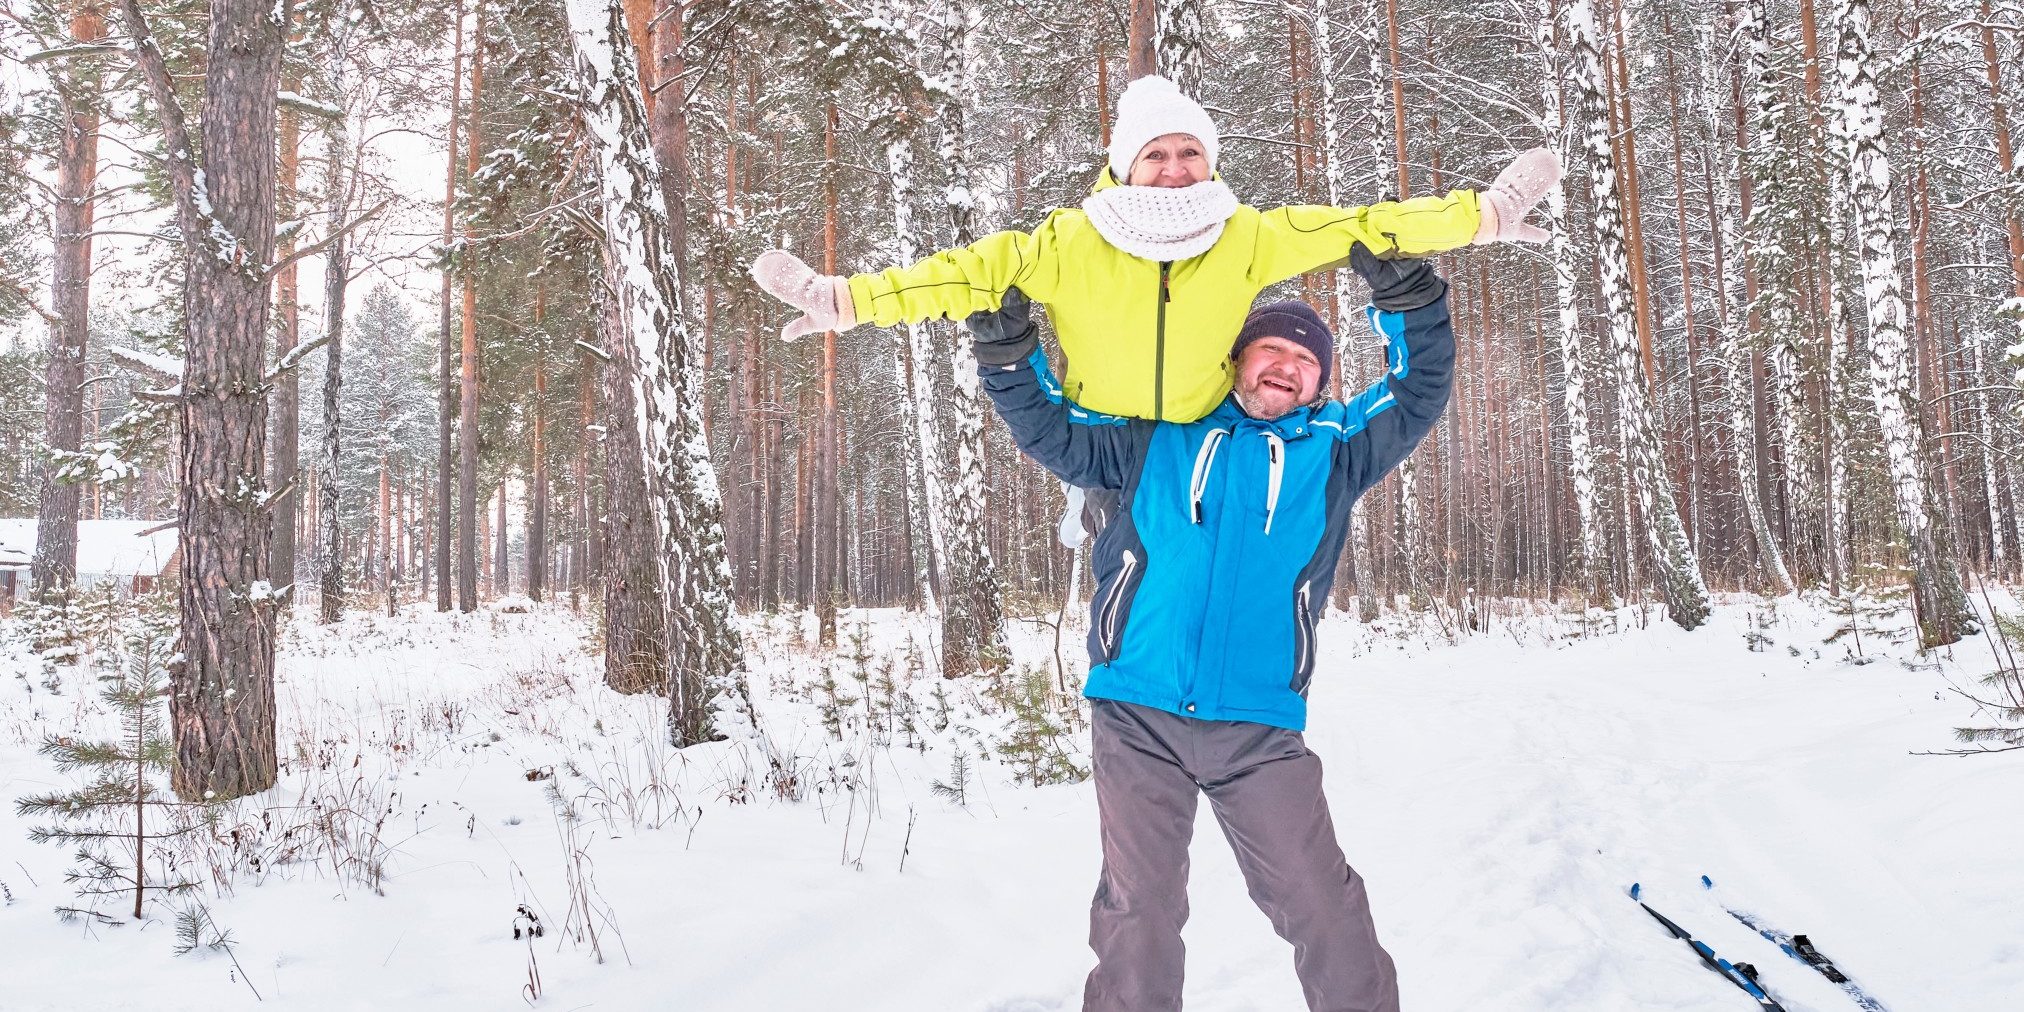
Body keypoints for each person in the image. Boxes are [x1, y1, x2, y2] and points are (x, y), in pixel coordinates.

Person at [964, 245, 1460, 1012]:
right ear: (1234, 360)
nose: (1287, 366)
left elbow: (1418, 390)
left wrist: (1412, 306)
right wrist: (1007, 356)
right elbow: (1053, 429)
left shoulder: (1337, 451)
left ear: (1322, 382)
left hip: (1259, 730)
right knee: (1140, 914)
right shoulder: (1155, 433)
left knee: (1325, 907)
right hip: (1138, 714)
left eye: (1306, 360)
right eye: (1272, 348)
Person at [749, 73, 1557, 427]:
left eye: (1190, 154)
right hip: (1100, 434)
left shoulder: (1246, 237)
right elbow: (961, 276)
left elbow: (1363, 225)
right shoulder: (1068, 241)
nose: (1175, 171)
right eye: (1156, 155)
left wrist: (1480, 216)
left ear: (1210, 160)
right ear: (1125, 165)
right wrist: (845, 300)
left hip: (1209, 431)